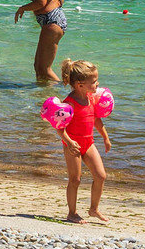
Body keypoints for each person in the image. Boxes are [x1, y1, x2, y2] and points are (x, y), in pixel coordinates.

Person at [48, 58, 111, 222]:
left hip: (88, 143)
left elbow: (96, 120)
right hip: (72, 145)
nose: (97, 84)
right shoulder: (70, 103)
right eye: (94, 81)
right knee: (75, 179)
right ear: (80, 85)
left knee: (101, 175)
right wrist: (69, 142)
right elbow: (59, 127)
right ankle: (72, 213)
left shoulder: (91, 98)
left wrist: (105, 138)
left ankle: (93, 209)